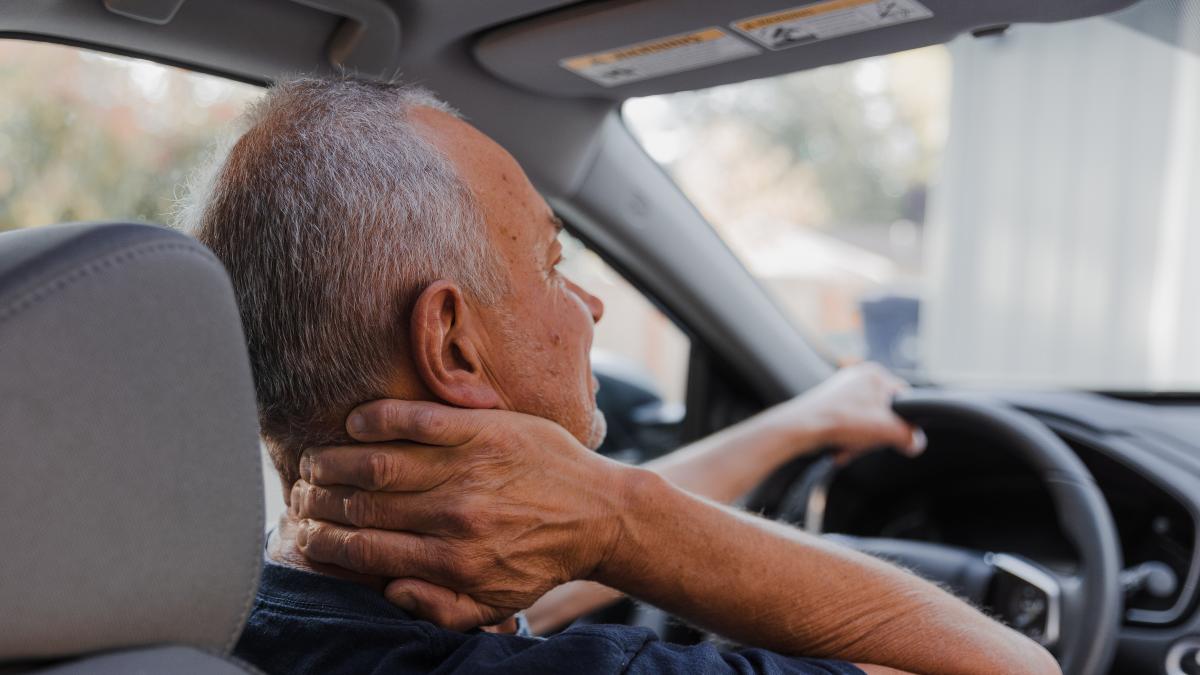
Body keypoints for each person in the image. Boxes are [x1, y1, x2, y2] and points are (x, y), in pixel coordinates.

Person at [183, 76, 1059, 675]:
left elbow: (534, 542)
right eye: (553, 264)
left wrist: (796, 423)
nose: (589, 305)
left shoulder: (245, 611)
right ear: (452, 345)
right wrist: (618, 520)